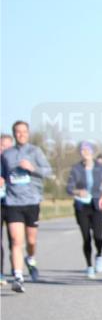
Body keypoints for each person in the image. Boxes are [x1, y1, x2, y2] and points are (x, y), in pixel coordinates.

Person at [1, 121, 53, 292]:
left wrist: (32, 168)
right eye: (18, 131)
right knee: (16, 241)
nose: (21, 134)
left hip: (32, 201)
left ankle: (30, 258)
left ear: (28, 133)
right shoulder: (6, 154)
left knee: (31, 241)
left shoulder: (35, 151)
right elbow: (3, 174)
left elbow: (48, 172)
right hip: (13, 202)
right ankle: (18, 277)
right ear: (14, 134)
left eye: (24, 131)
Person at [66, 141, 102, 278]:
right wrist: (78, 192)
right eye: (82, 150)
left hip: (97, 204)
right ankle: (89, 266)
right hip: (81, 206)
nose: (85, 152)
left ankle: (99, 256)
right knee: (86, 238)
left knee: (98, 236)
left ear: (92, 152)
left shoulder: (100, 167)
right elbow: (69, 188)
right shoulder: (76, 168)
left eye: (87, 150)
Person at [0, 133, 12, 287]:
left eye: (8, 147)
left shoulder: (15, 161)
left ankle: (16, 271)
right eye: (2, 146)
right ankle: (0, 273)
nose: (5, 150)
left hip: (13, 204)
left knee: (14, 240)